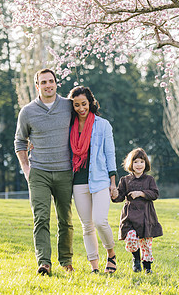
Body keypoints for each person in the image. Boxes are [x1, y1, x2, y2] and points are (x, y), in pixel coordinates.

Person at [14, 68, 74, 276]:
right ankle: (44, 262)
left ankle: (66, 260)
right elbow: (19, 141)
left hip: (65, 171)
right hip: (38, 172)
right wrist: (26, 169)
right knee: (41, 218)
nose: (48, 85)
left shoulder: (68, 106)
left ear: (56, 83)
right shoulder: (28, 111)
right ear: (37, 86)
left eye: (51, 81)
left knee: (65, 219)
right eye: (43, 82)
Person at [68, 86, 118, 274]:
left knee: (99, 221)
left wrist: (113, 183)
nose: (81, 108)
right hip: (78, 181)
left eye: (84, 104)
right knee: (87, 226)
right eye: (77, 105)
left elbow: (110, 153)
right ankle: (95, 267)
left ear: (90, 102)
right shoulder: (70, 125)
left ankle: (111, 254)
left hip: (100, 179)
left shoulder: (102, 124)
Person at [111, 148, 163, 274]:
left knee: (146, 243)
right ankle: (136, 259)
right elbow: (120, 196)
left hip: (146, 216)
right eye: (135, 162)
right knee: (131, 237)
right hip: (130, 216)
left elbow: (155, 194)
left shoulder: (149, 180)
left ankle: (147, 267)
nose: (139, 165)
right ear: (130, 164)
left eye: (141, 162)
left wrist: (141, 193)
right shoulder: (125, 180)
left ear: (146, 164)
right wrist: (114, 195)